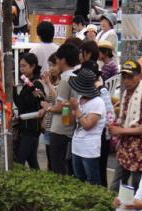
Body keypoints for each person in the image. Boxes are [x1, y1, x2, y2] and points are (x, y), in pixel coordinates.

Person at [110, 60, 142, 191]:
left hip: (140, 153)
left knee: (137, 190)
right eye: (124, 77)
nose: (126, 80)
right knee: (116, 187)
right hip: (124, 149)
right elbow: (123, 121)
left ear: (140, 76)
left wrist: (121, 131)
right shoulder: (126, 94)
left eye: (130, 77)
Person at [68, 68, 107, 185]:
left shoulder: (98, 102)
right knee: (78, 178)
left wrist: (76, 110)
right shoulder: (81, 99)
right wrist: (71, 110)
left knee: (93, 180)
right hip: (77, 145)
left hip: (89, 148)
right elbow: (73, 122)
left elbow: (88, 125)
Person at [48, 43, 80, 176]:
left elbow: (61, 107)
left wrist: (49, 108)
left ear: (63, 60)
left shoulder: (65, 79)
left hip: (60, 129)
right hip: (69, 127)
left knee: (57, 166)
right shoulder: (75, 76)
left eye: (58, 59)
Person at [13, 53, 45, 169]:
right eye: (20, 66)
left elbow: (31, 102)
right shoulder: (27, 83)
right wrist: (14, 91)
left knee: (19, 161)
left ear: (32, 66)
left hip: (31, 128)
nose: (21, 69)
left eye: (24, 66)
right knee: (32, 161)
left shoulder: (35, 83)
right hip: (25, 127)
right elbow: (20, 104)